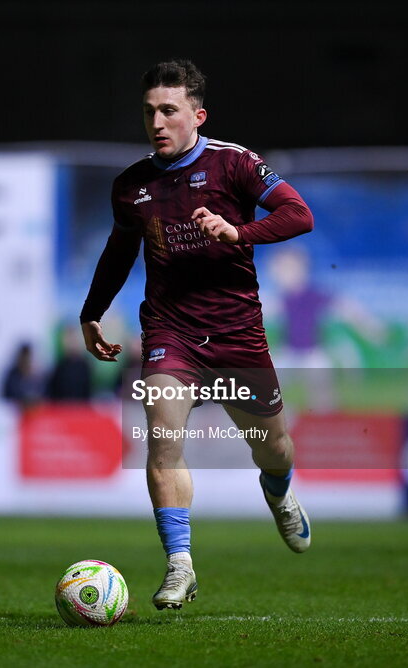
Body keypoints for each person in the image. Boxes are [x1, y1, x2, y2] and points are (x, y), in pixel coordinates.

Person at [80, 60, 315, 610]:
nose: (157, 122)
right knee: (161, 439)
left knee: (274, 448)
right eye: (149, 112)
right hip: (170, 330)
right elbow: (119, 252)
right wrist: (92, 312)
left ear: (196, 115)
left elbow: (299, 215)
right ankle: (180, 564)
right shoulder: (131, 186)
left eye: (169, 111)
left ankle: (278, 493)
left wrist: (241, 231)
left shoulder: (235, 164)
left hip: (237, 333)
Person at [46, 324, 93, 401]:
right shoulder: (60, 366)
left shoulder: (85, 366)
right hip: (63, 408)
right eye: (69, 339)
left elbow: (88, 392)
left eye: (74, 339)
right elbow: (53, 392)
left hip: (81, 408)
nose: (72, 342)